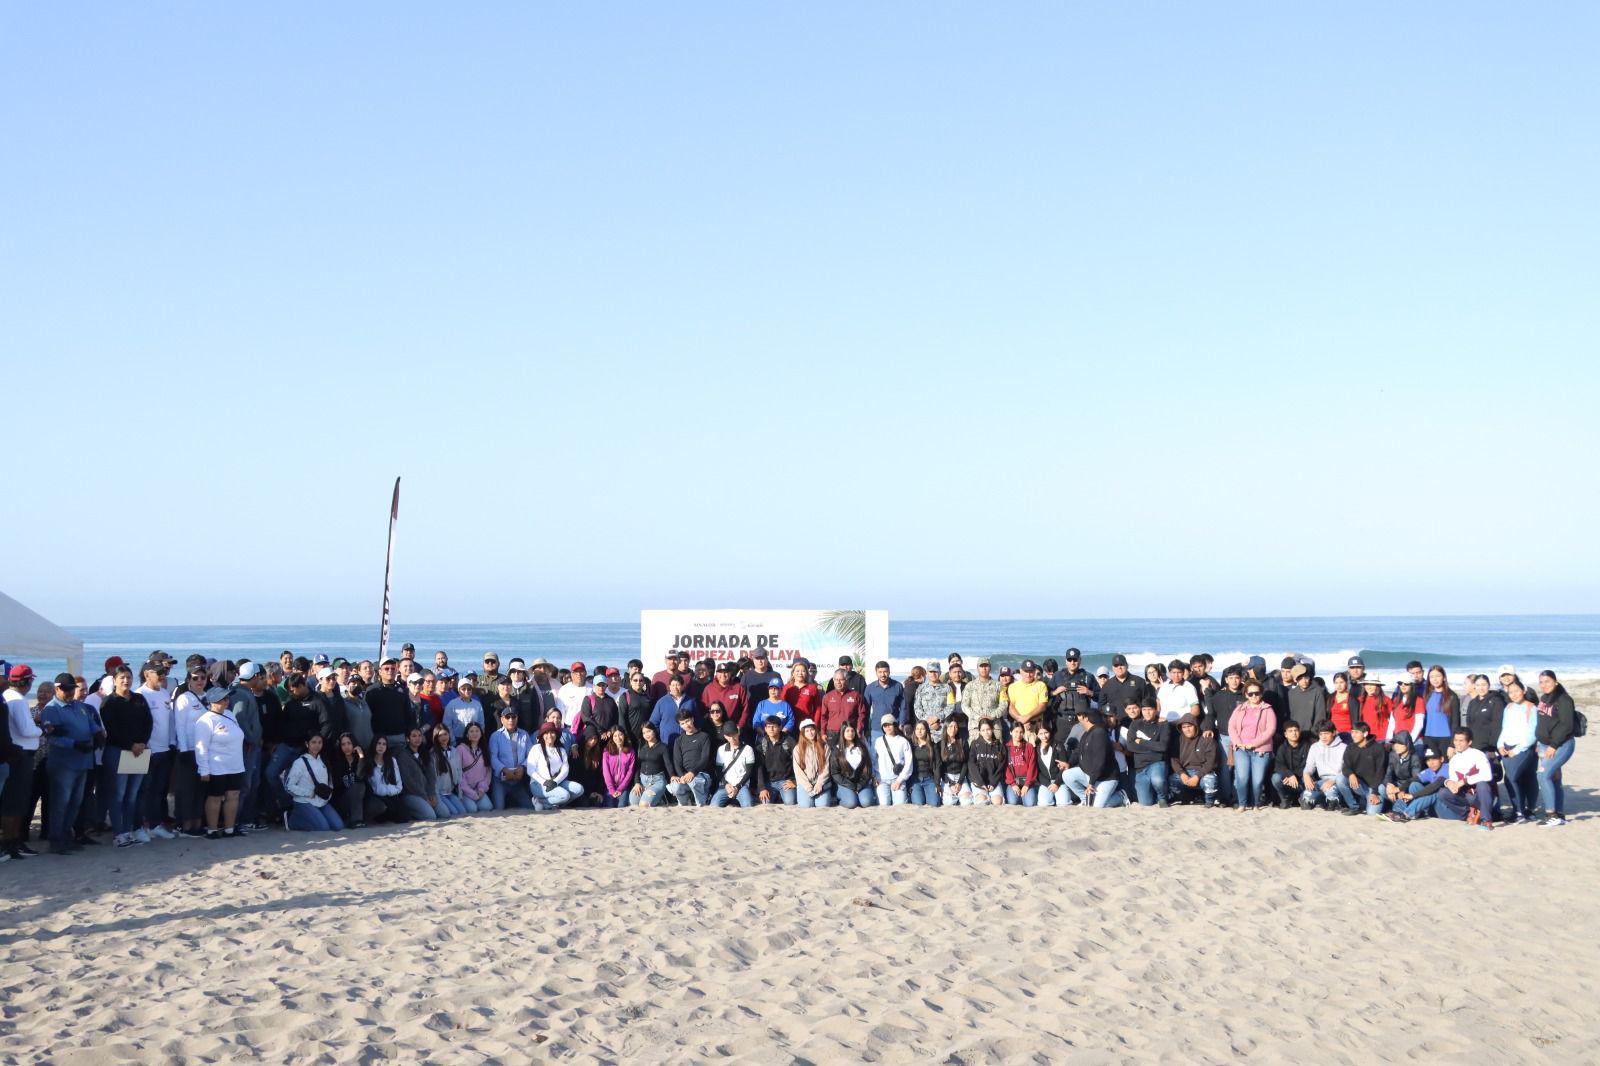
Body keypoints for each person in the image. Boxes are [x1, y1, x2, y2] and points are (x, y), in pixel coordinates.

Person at [41, 674, 99, 853]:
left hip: (83, 761)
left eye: (72, 689)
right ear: (57, 689)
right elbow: (52, 738)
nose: (69, 692)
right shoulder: (51, 709)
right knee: (60, 802)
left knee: (75, 802)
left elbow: (91, 725)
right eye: (65, 689)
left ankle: (67, 835)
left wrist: (98, 734)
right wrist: (74, 744)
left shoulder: (80, 706)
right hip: (63, 764)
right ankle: (56, 839)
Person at [97, 665, 153, 847]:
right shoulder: (108, 702)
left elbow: (148, 723)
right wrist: (131, 745)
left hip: (140, 751)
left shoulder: (139, 699)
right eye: (122, 677)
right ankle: (119, 833)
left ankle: (128, 831)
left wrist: (142, 743)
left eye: (128, 677)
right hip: (118, 751)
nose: (126, 680)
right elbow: (111, 730)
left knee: (132, 795)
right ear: (114, 680)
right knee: (118, 794)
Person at [192, 684, 247, 839]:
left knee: (233, 795)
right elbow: (201, 747)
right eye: (223, 699)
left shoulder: (230, 714)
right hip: (217, 766)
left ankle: (229, 828)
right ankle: (212, 829)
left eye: (227, 698)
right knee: (215, 797)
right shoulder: (206, 720)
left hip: (235, 764)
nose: (227, 701)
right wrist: (204, 769)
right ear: (213, 701)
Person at [2, 666, 42, 858]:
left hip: (17, 754)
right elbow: (26, 730)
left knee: (15, 801)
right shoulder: (17, 700)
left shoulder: (8, 697)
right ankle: (12, 843)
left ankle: (13, 842)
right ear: (26, 682)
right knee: (16, 803)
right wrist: (41, 729)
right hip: (21, 755)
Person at [1535, 670, 1577, 827]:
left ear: (1556, 682)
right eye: (1541, 682)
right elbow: (1543, 722)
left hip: (1561, 745)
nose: (1544, 685)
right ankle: (1559, 814)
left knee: (1542, 775)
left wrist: (1553, 745)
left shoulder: (1564, 699)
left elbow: (1567, 725)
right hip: (1545, 745)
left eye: (1547, 681)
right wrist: (1539, 742)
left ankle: (1551, 814)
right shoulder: (1544, 698)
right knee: (1554, 777)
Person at [1227, 681, 1276, 812]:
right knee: (1242, 778)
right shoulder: (1239, 708)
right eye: (1251, 693)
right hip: (1241, 749)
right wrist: (1238, 742)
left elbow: (1270, 730)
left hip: (1260, 750)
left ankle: (1256, 804)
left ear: (1261, 693)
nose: (1254, 696)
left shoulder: (1268, 709)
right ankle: (1242, 804)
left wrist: (1254, 744)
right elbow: (1231, 727)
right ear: (1246, 695)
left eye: (1257, 693)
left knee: (1257, 780)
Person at [1496, 680, 1540, 822]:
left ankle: (1524, 811)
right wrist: (1500, 744)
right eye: (1510, 692)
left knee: (1512, 778)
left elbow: (1533, 733)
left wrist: (1518, 749)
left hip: (1524, 749)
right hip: (1507, 748)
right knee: (1517, 778)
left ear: (1524, 691)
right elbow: (1505, 728)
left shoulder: (1531, 708)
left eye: (1516, 691)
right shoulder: (1508, 707)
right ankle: (1520, 810)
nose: (1514, 694)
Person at [1435, 728, 1495, 829]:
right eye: (1455, 740)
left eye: (1461, 741)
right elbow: (1454, 779)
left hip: (1481, 796)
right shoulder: (1454, 760)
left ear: (1469, 742)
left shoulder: (1478, 755)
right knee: (1443, 793)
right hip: (1467, 796)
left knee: (1482, 785)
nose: (1457, 743)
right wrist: (1449, 783)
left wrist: (1464, 781)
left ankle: (1486, 820)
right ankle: (1469, 814)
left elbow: (1487, 775)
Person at [1062, 711, 1123, 807]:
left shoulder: (1099, 733)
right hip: (1089, 774)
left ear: (1087, 718)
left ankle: (1120, 797)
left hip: (1106, 778)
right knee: (1067, 775)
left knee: (1097, 806)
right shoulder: (1087, 733)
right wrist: (1069, 764)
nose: (1079, 718)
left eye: (1082, 716)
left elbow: (1100, 761)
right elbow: (1078, 752)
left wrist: (1091, 784)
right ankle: (1085, 799)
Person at [284, 733, 344, 831]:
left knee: (338, 826)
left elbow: (330, 782)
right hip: (304, 801)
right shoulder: (299, 763)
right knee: (322, 827)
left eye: (320, 742)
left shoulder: (324, 760)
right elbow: (288, 786)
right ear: (307, 744)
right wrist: (309, 793)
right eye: (313, 742)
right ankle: (292, 820)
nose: (317, 745)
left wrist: (328, 794)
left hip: (322, 802)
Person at [1125, 698, 1171, 807]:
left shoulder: (1163, 724)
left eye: (1150, 709)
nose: (1147, 712)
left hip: (1157, 762)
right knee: (1146, 803)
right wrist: (1154, 747)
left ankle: (1162, 798)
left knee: (1158, 780)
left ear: (1155, 710)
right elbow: (1130, 746)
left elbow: (1163, 746)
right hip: (1140, 767)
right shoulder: (1135, 724)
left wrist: (1141, 741)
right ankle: (1155, 797)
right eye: (1144, 709)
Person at [665, 709, 714, 807]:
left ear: (692, 719)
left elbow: (705, 759)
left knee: (694, 781)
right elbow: (677, 761)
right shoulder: (678, 740)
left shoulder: (704, 737)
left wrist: (693, 772)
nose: (686, 725)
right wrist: (682, 776)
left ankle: (701, 803)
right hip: (685, 776)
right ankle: (684, 803)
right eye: (682, 723)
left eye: (687, 721)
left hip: (701, 774)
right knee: (675, 785)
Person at [488, 708, 535, 810]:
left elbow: (532, 755)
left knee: (530, 807)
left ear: (517, 718)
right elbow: (493, 757)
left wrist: (523, 767)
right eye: (507, 717)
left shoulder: (524, 735)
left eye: (513, 717)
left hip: (518, 780)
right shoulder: (495, 736)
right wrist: (504, 769)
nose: (511, 720)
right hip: (501, 780)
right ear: (502, 720)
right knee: (498, 809)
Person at [1339, 720, 1388, 817]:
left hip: (1375, 787)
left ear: (1365, 733)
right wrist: (1351, 774)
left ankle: (1384, 803)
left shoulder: (1378, 748)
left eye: (1356, 732)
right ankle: (1354, 807)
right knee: (1340, 779)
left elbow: (1380, 773)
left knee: (1372, 813)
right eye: (1352, 732)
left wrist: (1374, 792)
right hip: (1360, 785)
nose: (1353, 735)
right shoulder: (1350, 747)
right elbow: (1345, 766)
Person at [1168, 715, 1219, 807]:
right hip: (1185, 772)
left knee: (1210, 780)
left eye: (1189, 726)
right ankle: (1186, 798)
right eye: (1184, 727)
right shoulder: (1178, 740)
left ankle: (1209, 801)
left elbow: (1211, 762)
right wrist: (1181, 773)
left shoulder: (1207, 739)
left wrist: (1198, 776)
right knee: (1172, 780)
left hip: (1203, 772)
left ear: (1195, 726)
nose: (1187, 729)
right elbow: (1174, 759)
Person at [527, 723, 581, 808]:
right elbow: (530, 770)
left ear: (556, 734)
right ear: (542, 735)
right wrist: (544, 782)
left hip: (556, 782)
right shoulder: (536, 749)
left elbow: (565, 770)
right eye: (546, 733)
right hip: (538, 784)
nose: (549, 735)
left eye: (552, 732)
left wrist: (555, 782)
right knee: (565, 795)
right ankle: (542, 801)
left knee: (579, 789)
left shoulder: (561, 750)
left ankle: (545, 803)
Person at [396, 727, 444, 820]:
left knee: (443, 813)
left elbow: (431, 776)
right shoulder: (403, 756)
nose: (417, 738)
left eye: (419, 735)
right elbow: (409, 782)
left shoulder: (425, 753)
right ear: (407, 739)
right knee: (430, 816)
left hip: (427, 792)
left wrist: (431, 793)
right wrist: (425, 797)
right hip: (411, 793)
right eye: (414, 736)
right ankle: (411, 813)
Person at [362, 736, 412, 825]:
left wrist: (390, 791)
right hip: (377, 797)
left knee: (405, 817)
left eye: (384, 744)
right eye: (379, 743)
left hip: (392, 794)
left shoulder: (392, 760)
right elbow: (375, 787)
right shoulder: (369, 761)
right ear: (374, 745)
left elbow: (399, 784)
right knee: (383, 810)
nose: (381, 746)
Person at [1302, 723, 1349, 810]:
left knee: (1331, 794)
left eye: (1326, 734)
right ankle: (1320, 800)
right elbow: (1309, 766)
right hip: (1322, 781)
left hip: (1338, 780)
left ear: (1334, 732)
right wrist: (1306, 774)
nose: (1323, 737)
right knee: (1306, 798)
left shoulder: (1344, 747)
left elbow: (1347, 769)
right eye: (1321, 734)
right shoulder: (1314, 747)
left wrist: (1334, 780)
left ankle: (1332, 801)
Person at [325, 732, 367, 827]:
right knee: (357, 787)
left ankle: (354, 817)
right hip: (344, 800)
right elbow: (338, 788)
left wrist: (361, 756)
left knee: (378, 806)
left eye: (349, 743)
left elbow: (360, 777)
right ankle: (356, 821)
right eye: (343, 744)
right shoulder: (337, 762)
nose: (346, 747)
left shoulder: (360, 760)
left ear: (354, 744)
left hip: (360, 800)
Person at [829, 722, 875, 808]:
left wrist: (860, 785)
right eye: (847, 731)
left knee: (866, 802)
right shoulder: (837, 749)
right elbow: (835, 773)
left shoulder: (862, 747)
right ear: (843, 732)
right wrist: (851, 786)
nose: (850, 733)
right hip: (844, 783)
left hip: (861, 783)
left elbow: (868, 769)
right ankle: (841, 798)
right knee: (851, 803)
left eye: (852, 731)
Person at [754, 715, 798, 805]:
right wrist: (762, 788)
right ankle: (777, 796)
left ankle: (781, 796)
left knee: (790, 802)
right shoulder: (761, 744)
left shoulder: (789, 742)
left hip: (786, 781)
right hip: (769, 782)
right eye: (768, 727)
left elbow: (799, 763)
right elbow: (759, 768)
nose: (771, 729)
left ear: (780, 727)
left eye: (774, 726)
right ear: (765, 729)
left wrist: (794, 781)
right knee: (765, 802)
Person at [1419, 666, 1461, 758]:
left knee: (1445, 768)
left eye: (1438, 676)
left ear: (1444, 677)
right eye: (1432, 677)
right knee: (1430, 766)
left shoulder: (1452, 697)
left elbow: (1455, 722)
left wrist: (1452, 744)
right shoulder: (1427, 695)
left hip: (1446, 738)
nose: (1435, 679)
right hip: (1429, 737)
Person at [863, 662, 906, 750]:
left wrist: (901, 723)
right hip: (876, 728)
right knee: (876, 755)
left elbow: (903, 707)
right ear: (876, 672)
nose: (883, 674)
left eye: (885, 671)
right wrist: (866, 727)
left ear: (889, 671)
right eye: (880, 672)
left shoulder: (897, 686)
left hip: (894, 727)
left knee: (894, 754)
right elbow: (865, 710)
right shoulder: (870, 688)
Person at [872, 713, 912, 806]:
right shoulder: (878, 741)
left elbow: (908, 763)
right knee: (884, 804)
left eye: (889, 724)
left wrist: (900, 780)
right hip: (882, 779)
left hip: (897, 779)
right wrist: (874, 776)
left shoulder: (903, 741)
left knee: (900, 805)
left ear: (894, 725)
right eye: (885, 725)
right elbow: (873, 760)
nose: (887, 727)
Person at [966, 717, 1007, 806]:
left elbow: (1001, 767)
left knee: (998, 802)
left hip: (993, 782)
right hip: (979, 781)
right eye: (983, 730)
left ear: (992, 729)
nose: (986, 732)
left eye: (988, 729)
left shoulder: (999, 746)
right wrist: (980, 783)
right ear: (980, 732)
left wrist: (993, 783)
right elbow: (971, 764)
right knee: (982, 802)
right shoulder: (974, 744)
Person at [1269, 721, 1311, 809]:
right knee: (1275, 778)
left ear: (1299, 732)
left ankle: (1303, 798)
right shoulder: (1282, 748)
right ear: (1285, 734)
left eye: (1296, 730)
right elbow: (1279, 765)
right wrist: (1289, 775)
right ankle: (1285, 799)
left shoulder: (1307, 746)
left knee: (1309, 778)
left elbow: (1308, 764)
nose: (1294, 733)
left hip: (1302, 780)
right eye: (1290, 731)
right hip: (1288, 780)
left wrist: (1294, 775)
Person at [454, 721, 494, 813]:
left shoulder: (484, 750)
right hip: (464, 790)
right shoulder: (460, 749)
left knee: (487, 807)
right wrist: (471, 793)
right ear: (467, 734)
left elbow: (488, 773)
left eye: (477, 731)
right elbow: (458, 773)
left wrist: (481, 789)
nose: (474, 733)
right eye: (471, 731)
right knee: (472, 809)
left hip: (479, 789)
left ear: (481, 733)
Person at [428, 725, 467, 816]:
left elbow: (459, 772)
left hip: (451, 792)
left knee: (462, 812)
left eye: (445, 734)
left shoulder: (454, 751)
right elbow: (432, 777)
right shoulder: (433, 754)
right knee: (451, 813)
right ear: (436, 738)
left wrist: (460, 793)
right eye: (440, 735)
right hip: (440, 793)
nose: (443, 737)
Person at [793, 719, 833, 808]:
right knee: (806, 805)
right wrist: (808, 787)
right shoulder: (797, 749)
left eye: (812, 729)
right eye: (807, 731)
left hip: (821, 782)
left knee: (823, 805)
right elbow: (798, 771)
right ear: (803, 733)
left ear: (816, 730)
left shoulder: (824, 746)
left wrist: (819, 783)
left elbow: (826, 767)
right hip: (805, 782)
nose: (810, 733)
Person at [1033, 721, 1072, 808]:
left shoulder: (1058, 745)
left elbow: (1063, 767)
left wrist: (1056, 783)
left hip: (1059, 781)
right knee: (1044, 804)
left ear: (1050, 732)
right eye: (1041, 734)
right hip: (1046, 783)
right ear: (1037, 735)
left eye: (1046, 732)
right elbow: (1037, 771)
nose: (1044, 736)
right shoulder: (1036, 750)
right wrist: (1047, 784)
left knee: (1064, 803)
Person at [934, 718, 971, 806]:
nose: (953, 729)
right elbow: (940, 766)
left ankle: (959, 795)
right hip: (947, 777)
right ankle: (953, 795)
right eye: (950, 726)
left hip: (960, 776)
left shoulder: (963, 743)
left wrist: (959, 782)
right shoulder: (939, 745)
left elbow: (965, 764)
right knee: (949, 802)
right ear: (946, 727)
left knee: (967, 802)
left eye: (955, 727)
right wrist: (950, 783)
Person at [904, 719, 940, 807]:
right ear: (914, 731)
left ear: (927, 730)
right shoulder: (910, 746)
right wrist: (909, 784)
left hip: (929, 779)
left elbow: (937, 766)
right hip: (915, 780)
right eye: (917, 729)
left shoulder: (933, 746)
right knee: (918, 803)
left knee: (934, 803)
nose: (919, 731)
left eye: (922, 729)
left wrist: (937, 784)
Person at [1002, 721, 1038, 806]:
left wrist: (1027, 785)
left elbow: (1032, 767)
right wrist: (1013, 784)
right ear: (1011, 732)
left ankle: (1030, 793)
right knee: (1012, 802)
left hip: (1027, 781)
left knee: (1030, 803)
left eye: (1021, 732)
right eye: (1016, 732)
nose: (1018, 735)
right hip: (1013, 782)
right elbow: (1006, 768)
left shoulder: (1029, 747)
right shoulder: (1006, 748)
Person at [616, 672, 654, 750]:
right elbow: (621, 718)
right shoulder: (625, 696)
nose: (638, 682)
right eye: (635, 680)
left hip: (645, 736)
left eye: (641, 680)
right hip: (630, 737)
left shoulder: (647, 697)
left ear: (644, 682)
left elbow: (651, 717)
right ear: (631, 682)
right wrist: (626, 736)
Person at [602, 727, 637, 808]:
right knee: (609, 806)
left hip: (623, 787)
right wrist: (611, 789)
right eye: (615, 736)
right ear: (612, 737)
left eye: (620, 735)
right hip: (610, 787)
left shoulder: (630, 751)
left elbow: (630, 772)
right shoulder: (607, 751)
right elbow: (605, 771)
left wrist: (620, 789)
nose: (618, 738)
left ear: (624, 735)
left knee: (621, 806)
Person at [444, 677, 484, 743]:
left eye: (469, 689)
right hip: (457, 739)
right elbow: (447, 724)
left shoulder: (477, 704)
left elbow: (481, 723)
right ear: (459, 690)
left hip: (473, 739)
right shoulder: (452, 704)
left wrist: (479, 739)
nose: (466, 691)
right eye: (463, 689)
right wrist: (453, 740)